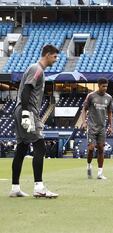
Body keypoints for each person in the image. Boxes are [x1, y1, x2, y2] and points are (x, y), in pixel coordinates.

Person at [9, 44, 59, 198]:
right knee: (40, 146)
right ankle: (39, 187)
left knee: (22, 149)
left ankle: (15, 187)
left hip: (22, 110)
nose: (56, 60)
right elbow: (26, 90)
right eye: (55, 57)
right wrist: (25, 113)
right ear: (48, 54)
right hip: (27, 110)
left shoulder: (37, 69)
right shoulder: (37, 69)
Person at [81, 78, 113, 180]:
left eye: (106, 86)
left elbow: (110, 113)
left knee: (101, 149)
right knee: (91, 148)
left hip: (102, 128)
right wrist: (84, 122)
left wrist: (111, 126)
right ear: (98, 86)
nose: (105, 88)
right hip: (92, 127)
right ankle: (89, 165)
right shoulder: (91, 96)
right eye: (103, 86)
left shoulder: (109, 98)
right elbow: (84, 110)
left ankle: (100, 173)